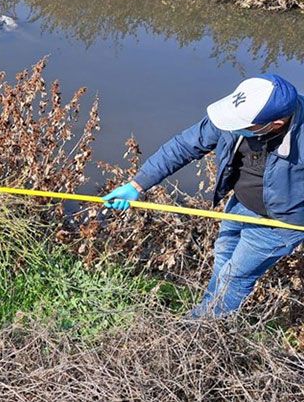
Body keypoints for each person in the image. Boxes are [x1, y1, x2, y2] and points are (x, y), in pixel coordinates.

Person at [103, 74, 303, 317]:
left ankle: (199, 329)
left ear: (275, 124)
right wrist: (137, 185)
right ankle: (211, 309)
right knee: (222, 258)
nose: (231, 126)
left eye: (244, 125)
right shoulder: (236, 116)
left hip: (279, 222)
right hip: (240, 204)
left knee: (235, 277)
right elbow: (184, 146)